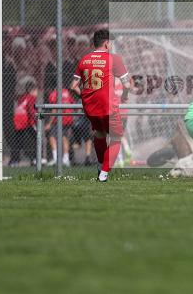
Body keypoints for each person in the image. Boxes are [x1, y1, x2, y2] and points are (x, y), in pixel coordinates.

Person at [72, 29, 131, 182]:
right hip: (108, 106)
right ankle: (104, 173)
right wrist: (124, 96)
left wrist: (84, 97)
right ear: (106, 43)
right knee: (117, 138)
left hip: (91, 108)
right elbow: (127, 84)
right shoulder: (114, 59)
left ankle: (100, 165)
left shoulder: (84, 59)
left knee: (99, 134)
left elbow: (73, 86)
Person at [13, 79, 41, 166]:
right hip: (25, 121)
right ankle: (35, 159)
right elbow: (31, 110)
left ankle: (15, 160)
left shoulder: (22, 97)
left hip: (17, 120)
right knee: (37, 138)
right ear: (31, 91)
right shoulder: (31, 98)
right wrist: (37, 120)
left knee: (18, 141)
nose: (37, 93)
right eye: (36, 91)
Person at [47, 85, 75, 167]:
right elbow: (72, 103)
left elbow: (54, 109)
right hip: (68, 117)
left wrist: (49, 123)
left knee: (52, 136)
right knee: (64, 137)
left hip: (60, 118)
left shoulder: (54, 93)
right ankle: (66, 159)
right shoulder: (66, 91)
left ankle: (56, 159)